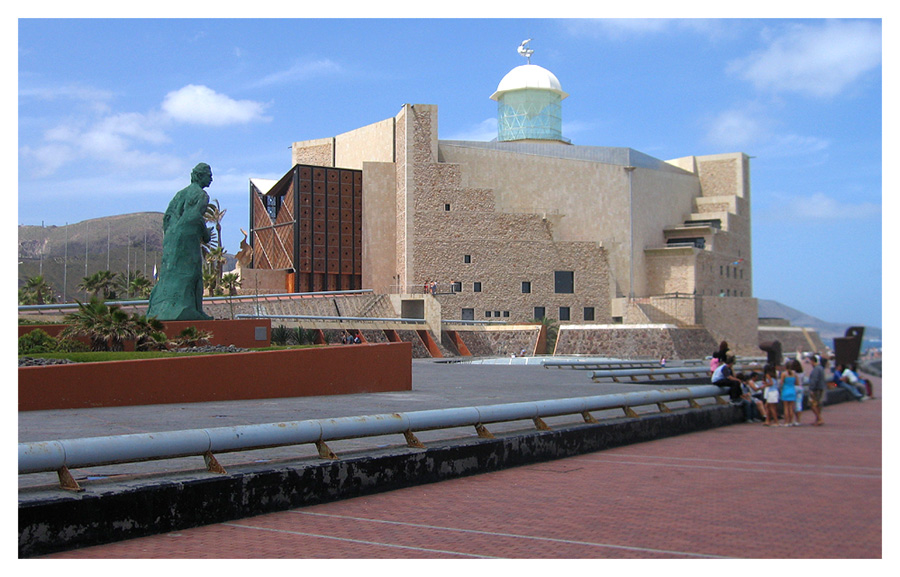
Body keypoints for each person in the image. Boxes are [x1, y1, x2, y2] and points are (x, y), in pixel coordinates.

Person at [806, 355, 826, 426]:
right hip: (821, 388)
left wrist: (811, 389)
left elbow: (814, 380)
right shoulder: (821, 368)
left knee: (812, 404)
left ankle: (819, 418)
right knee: (818, 405)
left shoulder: (816, 369)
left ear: (813, 361)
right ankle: (817, 419)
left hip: (816, 389)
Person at [779, 360, 800, 426]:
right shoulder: (794, 374)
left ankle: (786, 422)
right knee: (791, 408)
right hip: (792, 390)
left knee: (786, 408)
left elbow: (781, 383)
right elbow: (797, 383)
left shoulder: (784, 374)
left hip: (785, 390)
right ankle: (791, 421)